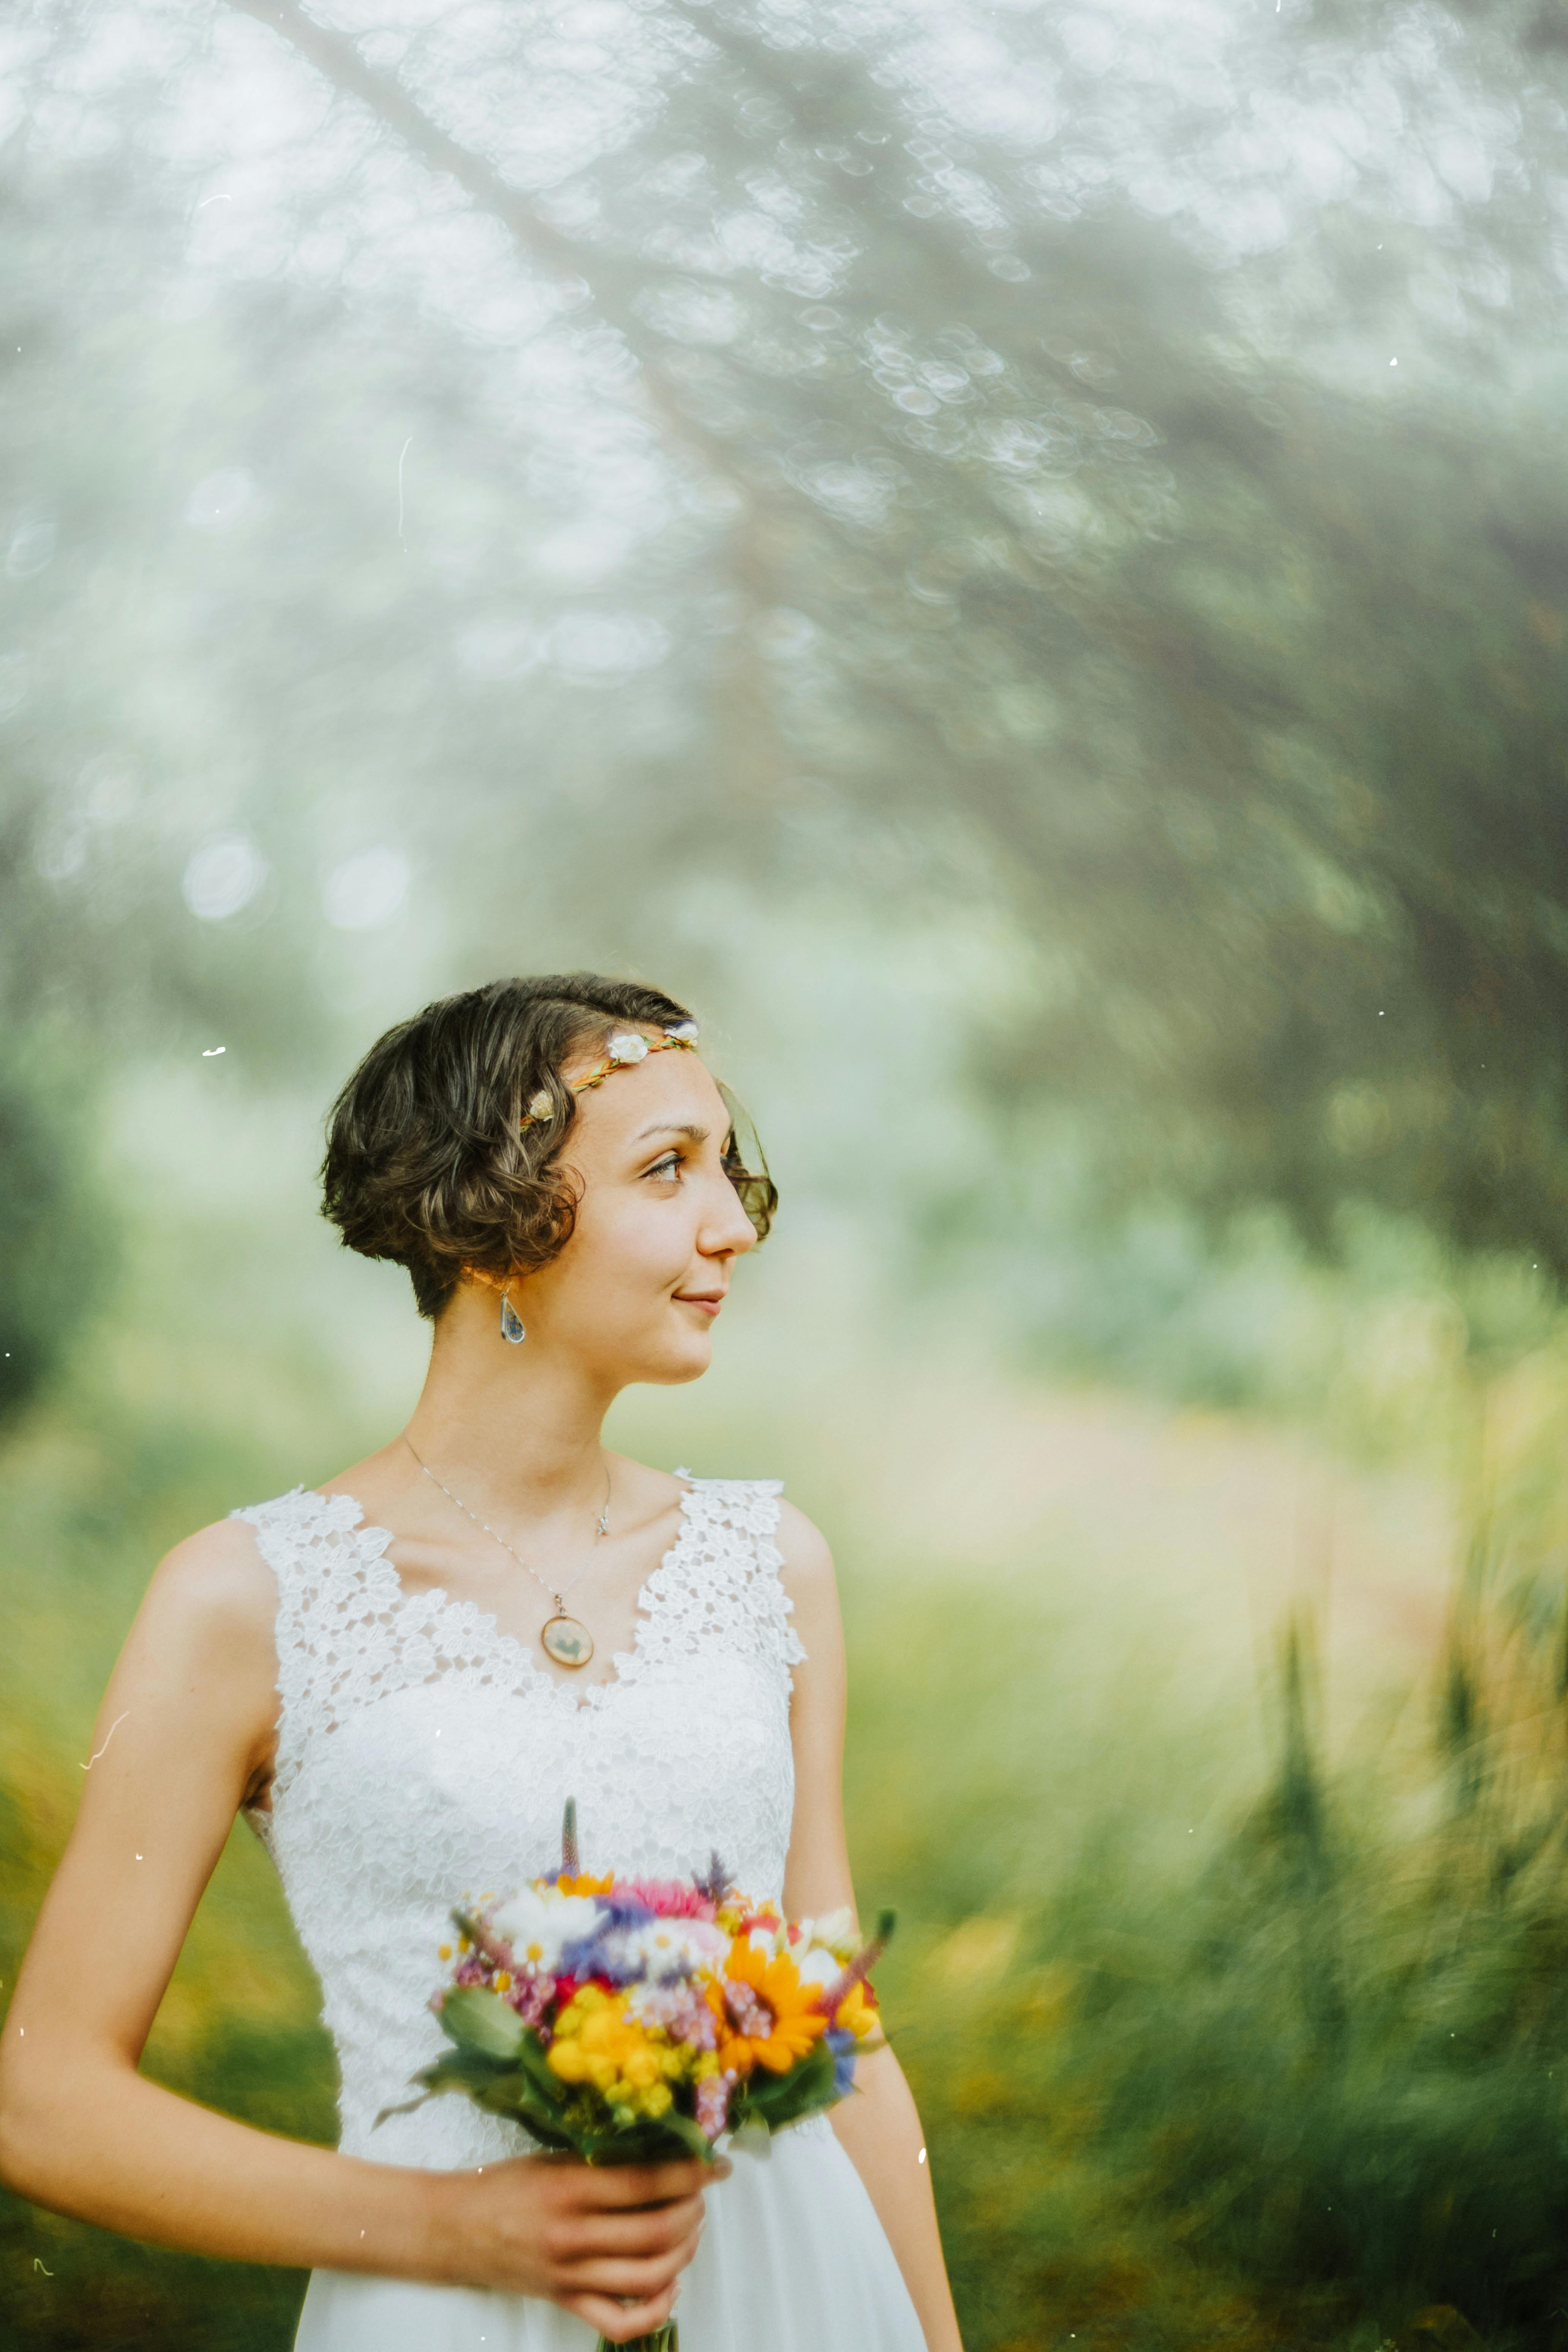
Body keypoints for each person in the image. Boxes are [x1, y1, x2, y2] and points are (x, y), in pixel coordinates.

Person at [0, 972, 964, 2352]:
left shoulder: (773, 1563)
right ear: (492, 1215)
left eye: (726, 1167)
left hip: (795, 2294)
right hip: (448, 2313)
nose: (734, 1224)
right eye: (668, 1169)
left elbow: (841, 2033)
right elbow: (45, 2104)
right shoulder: (246, 1599)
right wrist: (456, 2230)